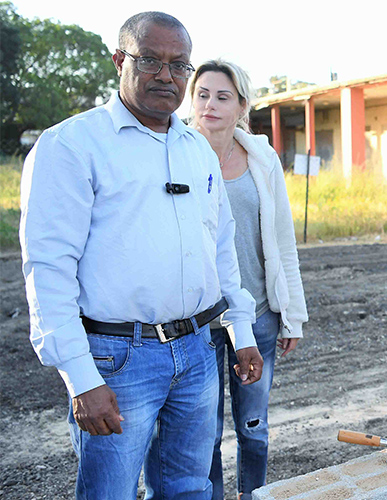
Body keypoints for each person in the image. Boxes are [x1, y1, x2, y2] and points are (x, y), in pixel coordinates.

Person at [20, 12, 264, 499]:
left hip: (197, 351)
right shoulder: (71, 146)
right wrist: (80, 378)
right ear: (119, 60)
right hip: (117, 358)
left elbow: (219, 247)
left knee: (189, 489)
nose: (165, 75)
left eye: (179, 65)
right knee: (108, 492)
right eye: (150, 59)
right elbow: (48, 270)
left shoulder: (196, 148)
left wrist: (240, 330)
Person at [189, 59, 308, 500]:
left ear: (241, 105)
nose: (210, 104)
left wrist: (291, 314)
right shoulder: (178, 151)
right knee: (203, 429)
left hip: (257, 313)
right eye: (202, 94)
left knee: (253, 426)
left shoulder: (261, 157)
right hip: (199, 321)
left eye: (222, 96)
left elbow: (282, 240)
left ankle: (253, 494)